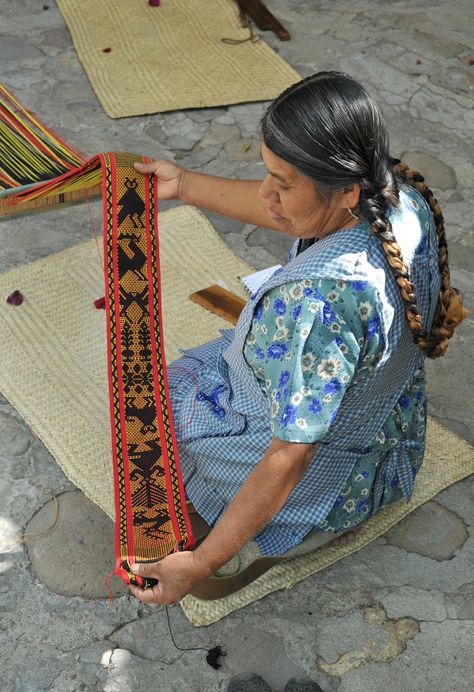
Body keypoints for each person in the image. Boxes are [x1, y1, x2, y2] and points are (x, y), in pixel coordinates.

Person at [129, 71, 468, 606]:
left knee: (154, 409)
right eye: (269, 173)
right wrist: (183, 184)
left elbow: (290, 454)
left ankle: (303, 528)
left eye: (283, 183)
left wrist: (200, 563)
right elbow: (283, 211)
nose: (268, 193)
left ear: (345, 190)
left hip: (329, 471)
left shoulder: (316, 309)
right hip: (383, 423)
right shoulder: (396, 194)